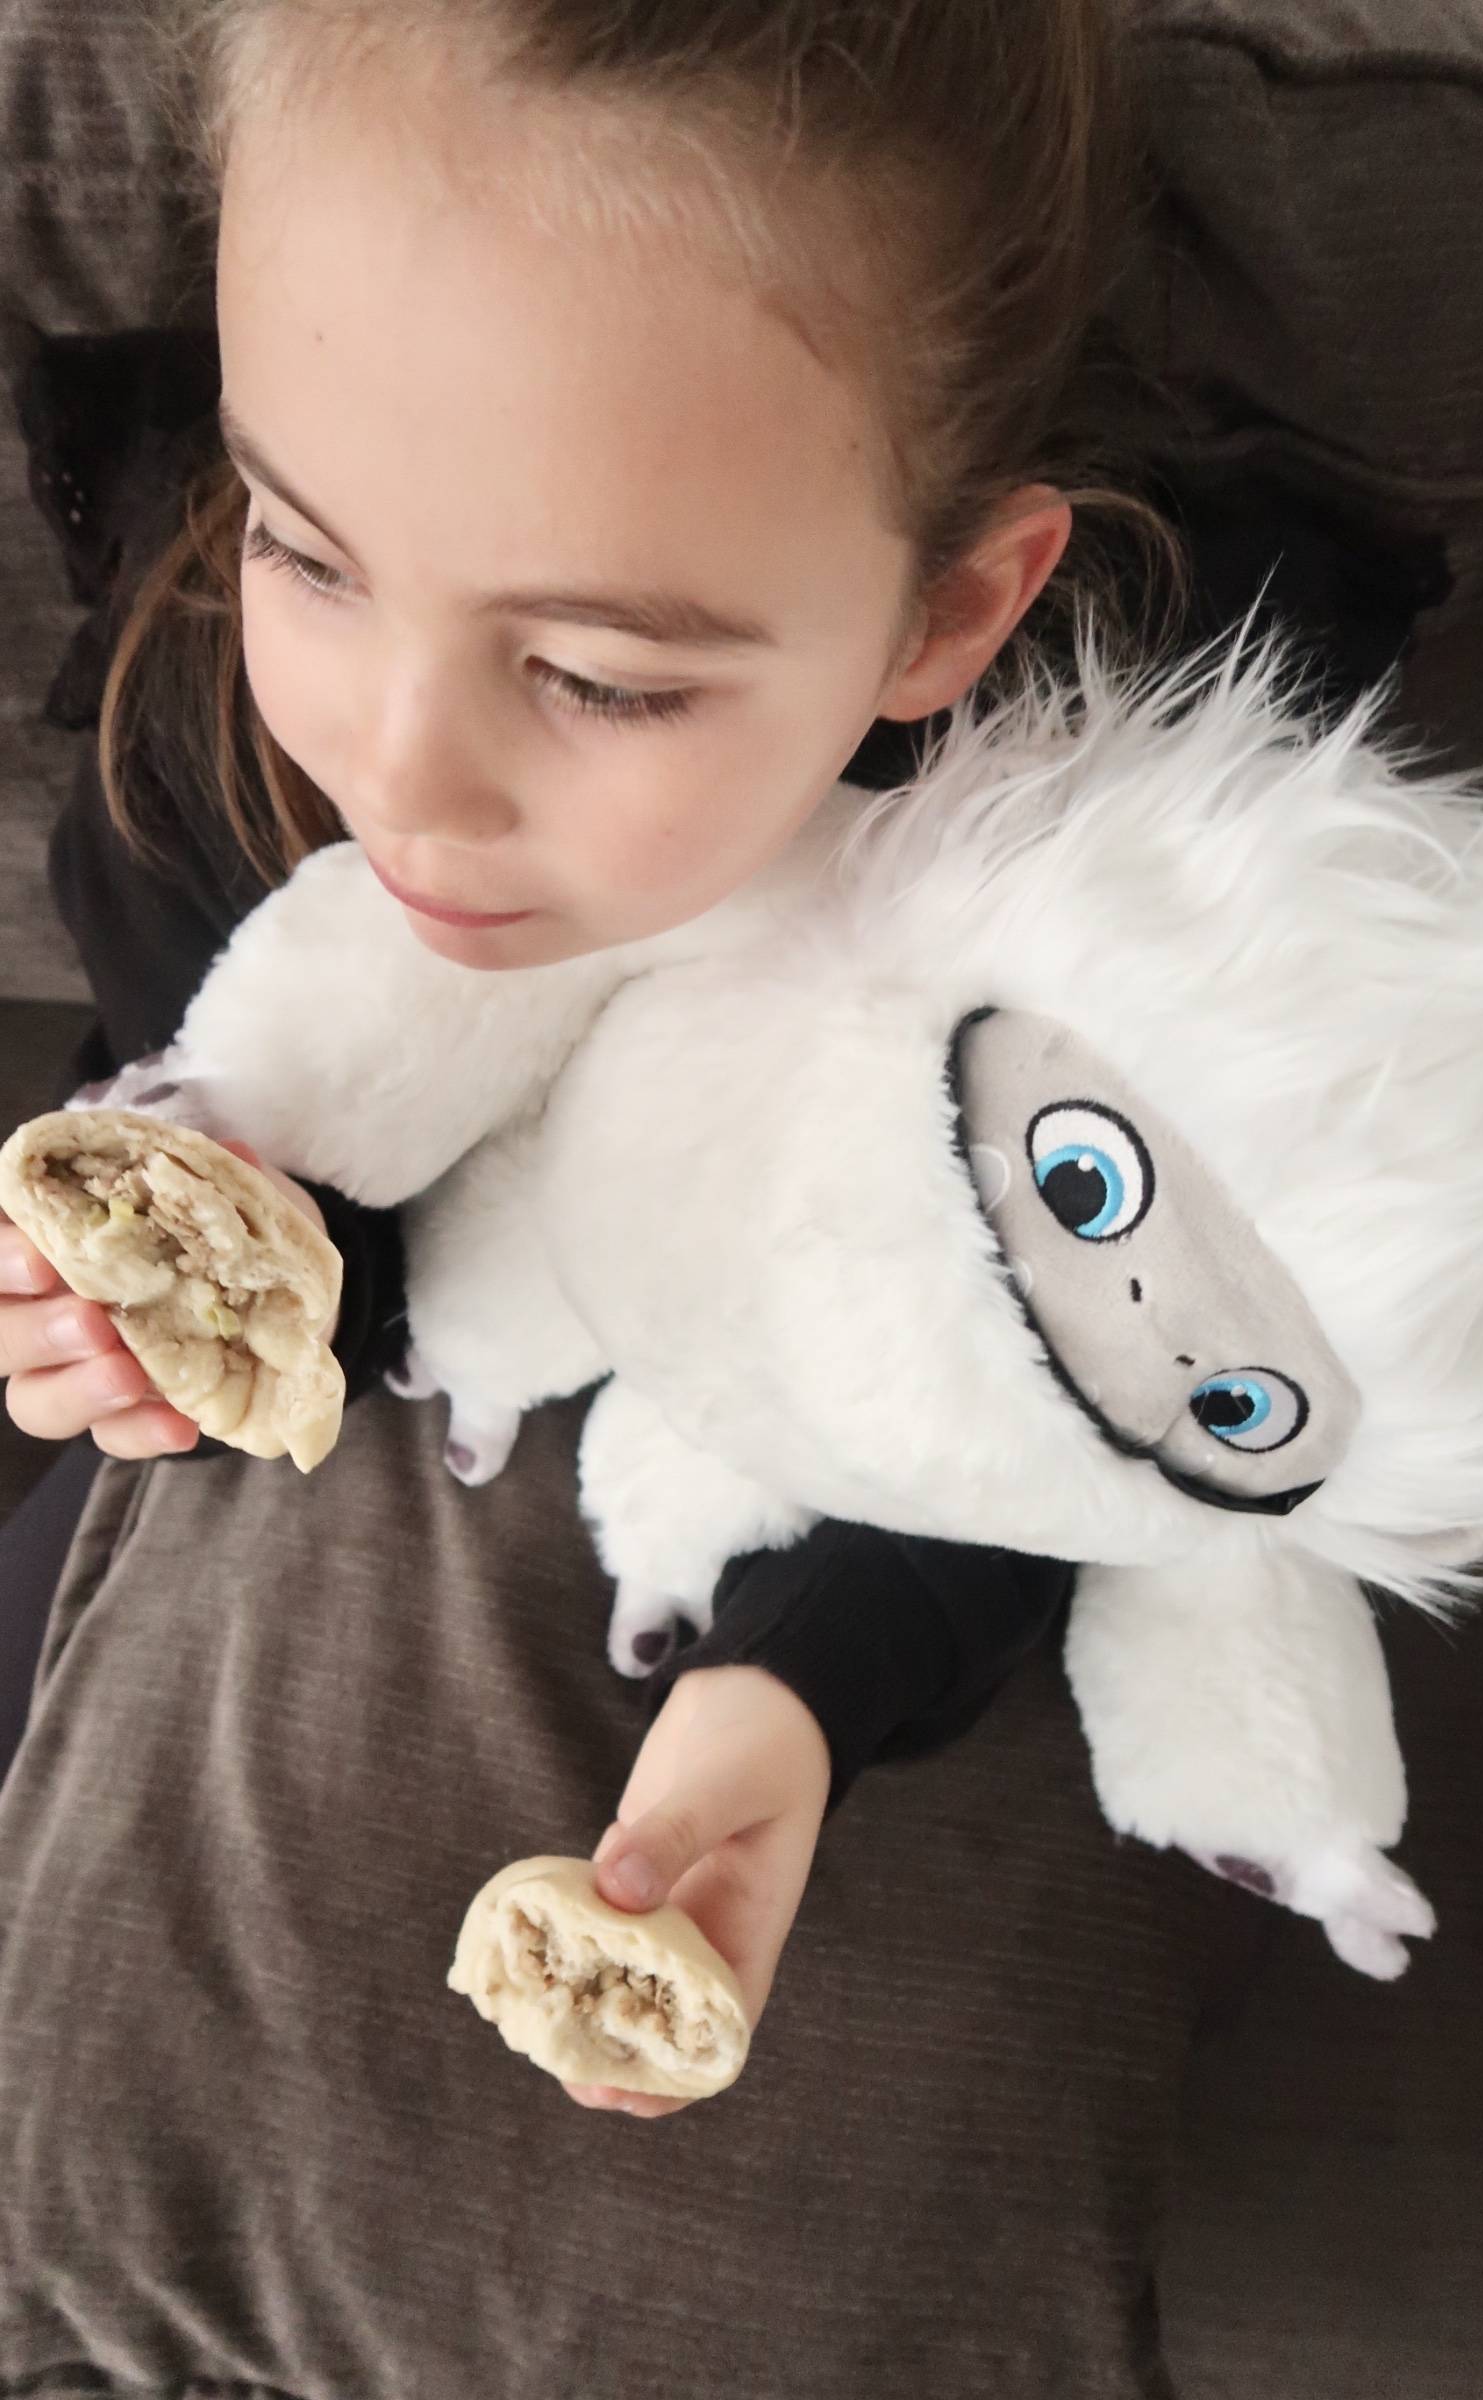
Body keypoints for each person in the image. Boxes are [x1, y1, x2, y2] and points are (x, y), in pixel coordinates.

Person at [0, 0, 1170, 2122]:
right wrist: (179, 1296)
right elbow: (265, 1164)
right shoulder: (199, 763)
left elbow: (1053, 1374)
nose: (390, 772)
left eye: (597, 678)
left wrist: (792, 1693)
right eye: (304, 548)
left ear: (942, 615)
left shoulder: (1084, 915)